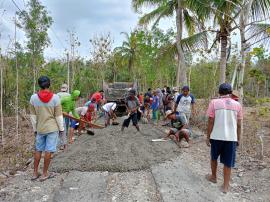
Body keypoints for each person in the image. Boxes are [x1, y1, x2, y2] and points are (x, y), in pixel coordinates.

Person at [206, 83, 243, 193]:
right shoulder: (237, 105)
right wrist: (238, 138)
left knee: (213, 158)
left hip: (216, 136)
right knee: (228, 162)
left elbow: (211, 121)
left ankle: (213, 177)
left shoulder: (214, 102)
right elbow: (239, 124)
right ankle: (226, 186)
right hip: (231, 138)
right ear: (231, 92)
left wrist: (208, 137)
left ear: (219, 92)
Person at [30, 76, 64, 181]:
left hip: (40, 128)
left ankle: (35, 173)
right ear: (49, 84)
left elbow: (33, 116)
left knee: (38, 150)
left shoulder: (33, 98)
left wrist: (35, 129)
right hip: (52, 128)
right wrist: (61, 129)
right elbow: (58, 116)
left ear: (39, 85)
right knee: (49, 150)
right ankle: (45, 173)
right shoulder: (55, 98)